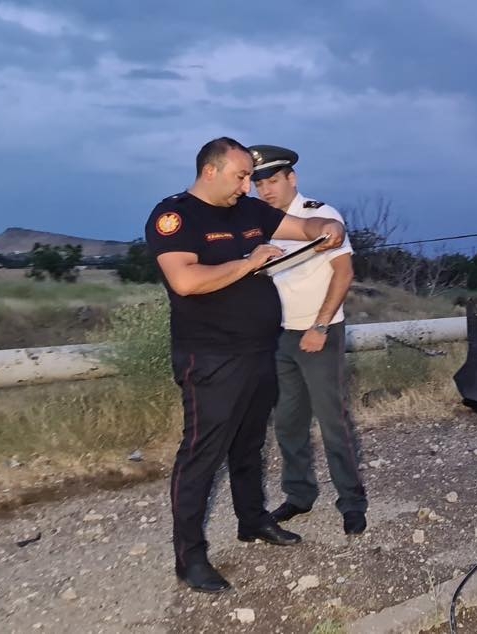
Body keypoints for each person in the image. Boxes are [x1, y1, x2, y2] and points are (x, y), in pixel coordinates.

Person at [144, 137, 346, 594]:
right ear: (210, 171)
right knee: (201, 454)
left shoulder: (249, 211)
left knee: (249, 445)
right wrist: (248, 262)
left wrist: (327, 226)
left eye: (249, 178)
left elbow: (303, 226)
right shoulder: (175, 216)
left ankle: (252, 521)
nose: (246, 187)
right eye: (240, 177)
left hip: (259, 349)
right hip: (210, 356)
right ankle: (190, 557)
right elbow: (185, 280)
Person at [248, 144, 369, 535]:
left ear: (291, 178)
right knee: (288, 422)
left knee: (333, 421)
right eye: (259, 184)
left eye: (272, 181)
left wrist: (319, 327)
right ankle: (299, 495)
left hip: (319, 333)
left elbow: (344, 273)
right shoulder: (260, 224)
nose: (266, 190)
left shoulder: (320, 215)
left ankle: (352, 503)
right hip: (279, 335)